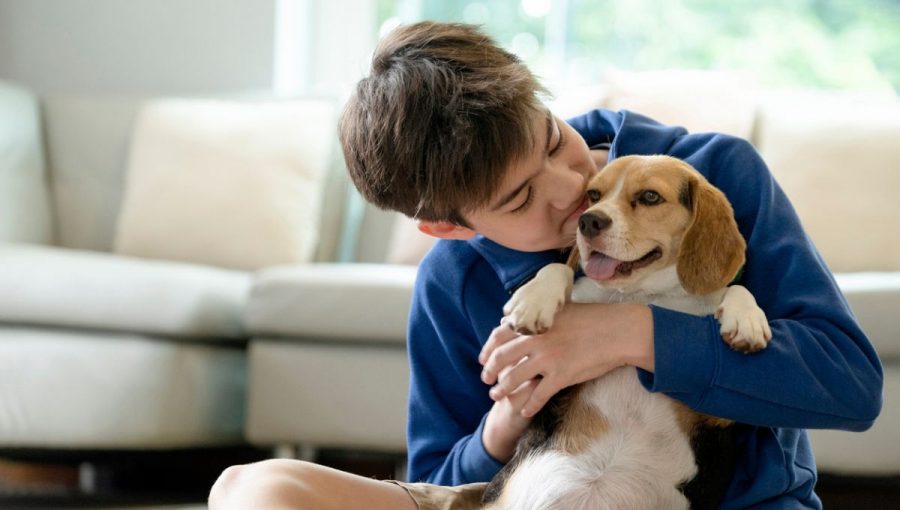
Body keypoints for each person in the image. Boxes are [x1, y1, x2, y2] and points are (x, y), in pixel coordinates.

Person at [208, 21, 883, 510]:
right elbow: (437, 478)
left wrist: (629, 334)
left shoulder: (714, 174)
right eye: (520, 198)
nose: (571, 193)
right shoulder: (452, 278)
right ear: (450, 227)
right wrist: (505, 419)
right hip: (522, 493)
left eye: (555, 141)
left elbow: (851, 386)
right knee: (252, 488)